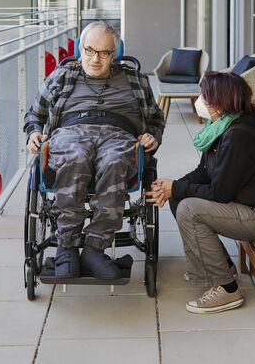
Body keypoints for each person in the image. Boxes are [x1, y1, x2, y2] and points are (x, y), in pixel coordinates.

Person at [147, 71, 255, 313]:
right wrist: (171, 187)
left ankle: (227, 289)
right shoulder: (223, 127)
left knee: (189, 208)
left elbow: (220, 193)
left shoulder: (240, 136)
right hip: (247, 202)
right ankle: (220, 267)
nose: (200, 101)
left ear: (219, 102)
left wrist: (176, 188)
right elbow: (204, 172)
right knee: (180, 198)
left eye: (205, 97)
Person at [24, 21, 164, 280]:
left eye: (104, 53)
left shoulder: (135, 80)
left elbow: (156, 119)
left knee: (114, 161)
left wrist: (152, 136)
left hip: (118, 134)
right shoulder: (62, 76)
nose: (95, 59)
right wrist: (33, 132)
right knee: (75, 157)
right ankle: (66, 248)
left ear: (114, 53)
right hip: (71, 133)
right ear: (80, 48)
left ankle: (94, 248)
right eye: (89, 50)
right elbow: (35, 114)